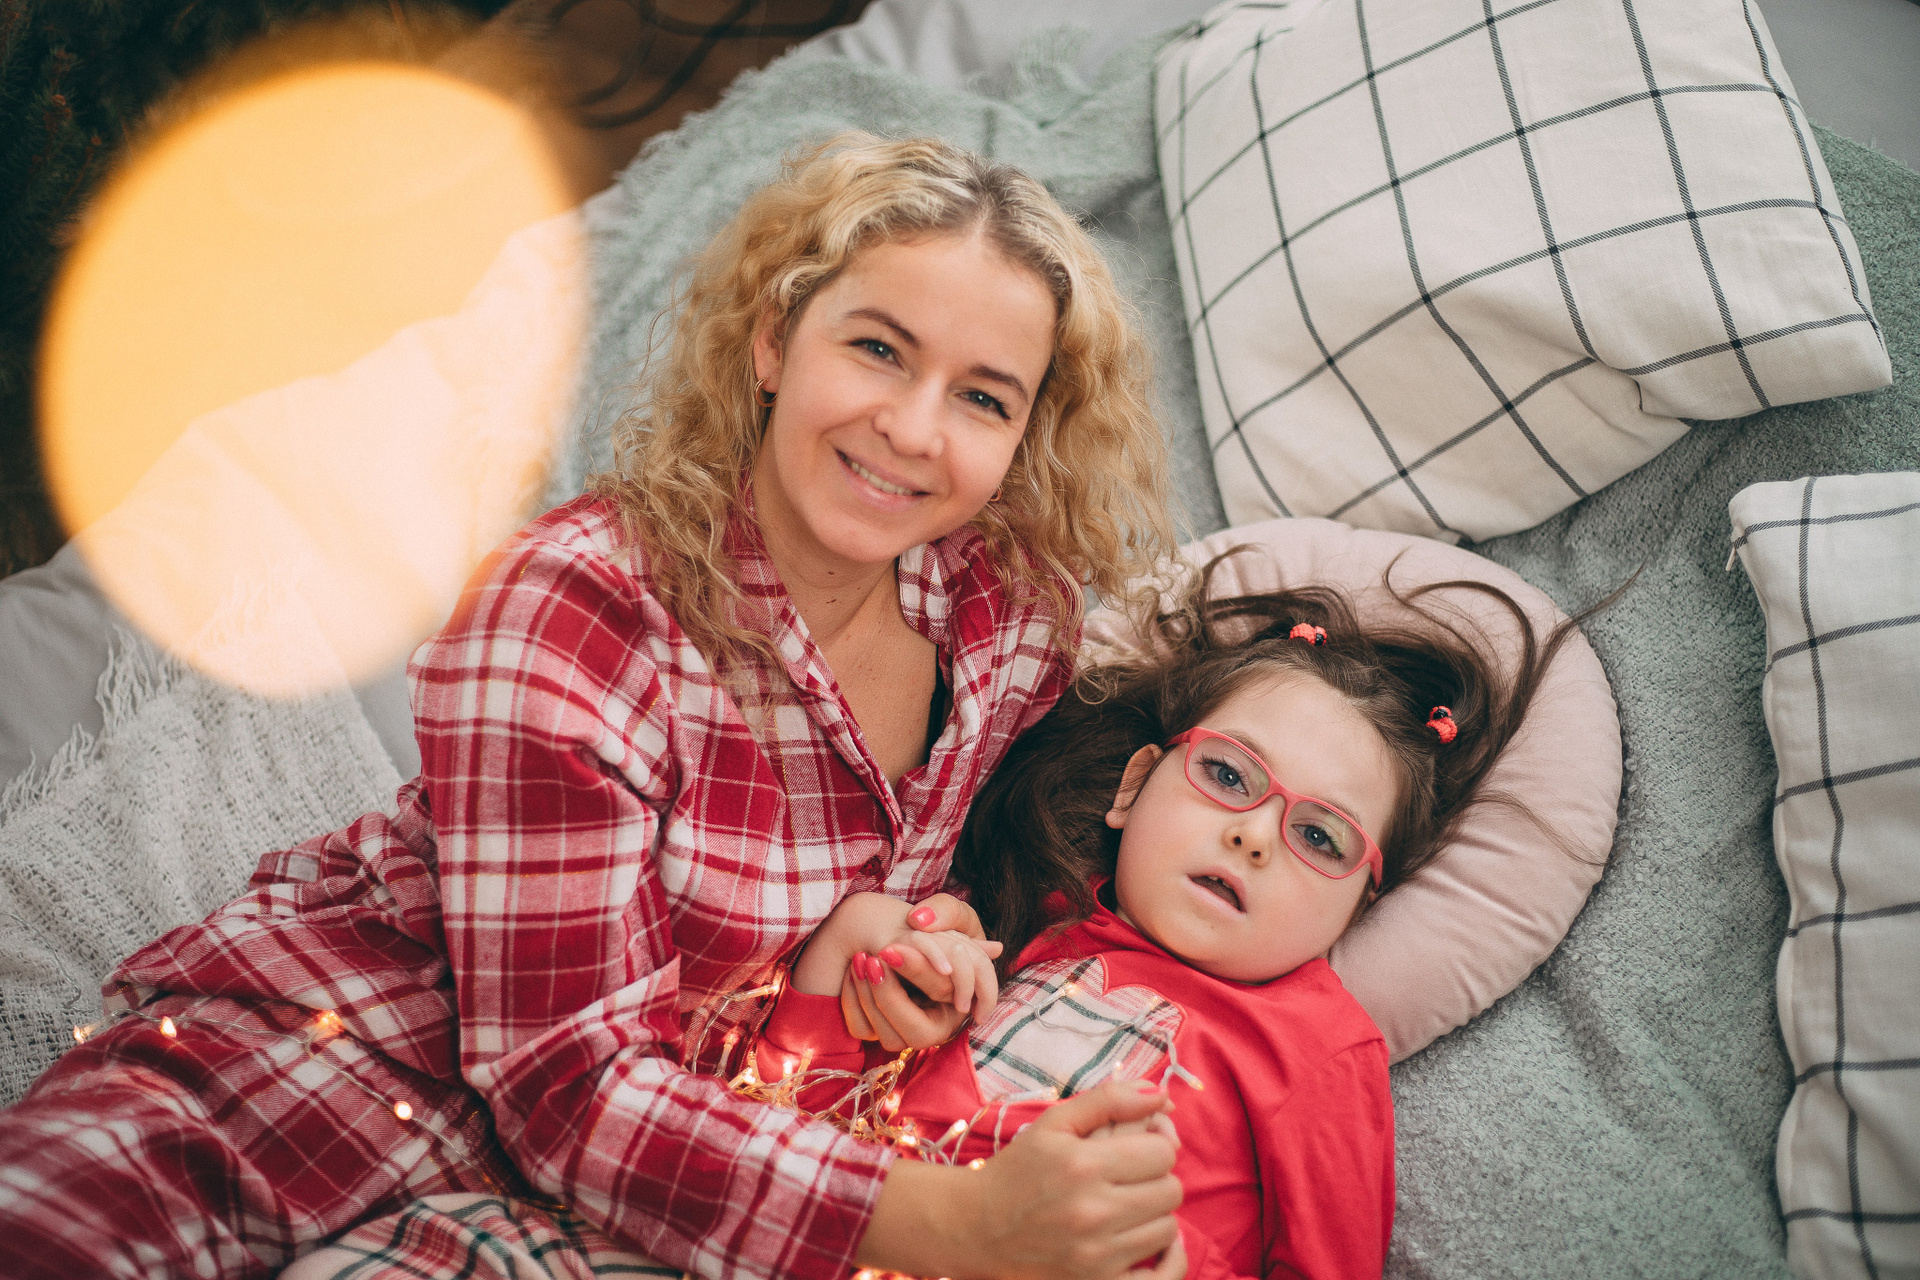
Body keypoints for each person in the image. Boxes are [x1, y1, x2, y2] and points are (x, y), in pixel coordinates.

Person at [0, 133, 1184, 1280]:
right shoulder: (580, 603)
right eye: (878, 348)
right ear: (774, 340)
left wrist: (935, 935)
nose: (915, 429)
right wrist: (962, 1224)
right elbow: (566, 1088)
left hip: (603, 1214)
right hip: (311, 1088)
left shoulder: (1006, 625)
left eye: (982, 398)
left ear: (1025, 435)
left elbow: (962, 873)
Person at [747, 556, 1585, 1279]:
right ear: (1132, 786)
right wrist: (867, 955)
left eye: (1319, 836)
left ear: (1358, 908)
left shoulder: (1319, 1048)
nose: (1254, 836)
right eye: (1228, 775)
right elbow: (805, 1113)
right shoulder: (1028, 921)